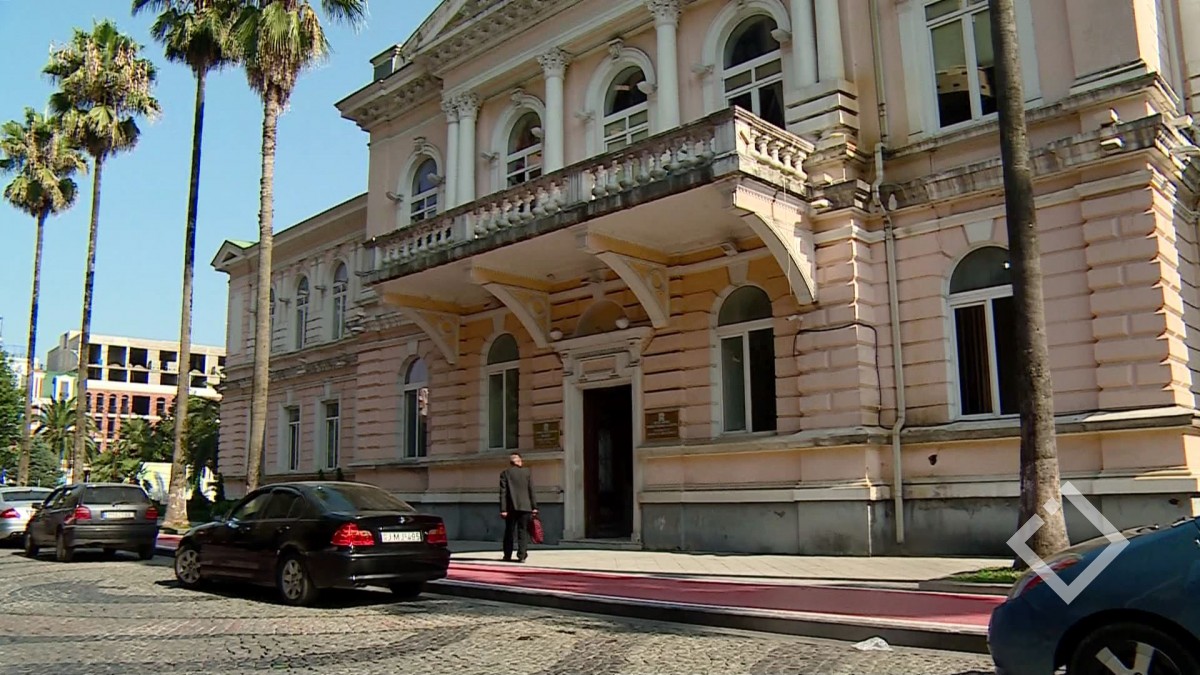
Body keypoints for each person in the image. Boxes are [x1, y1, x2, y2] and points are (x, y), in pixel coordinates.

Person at [499, 453, 537, 563]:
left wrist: (503, 509)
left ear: (511, 463)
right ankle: (522, 555)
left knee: (509, 531)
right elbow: (531, 490)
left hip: (511, 507)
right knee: (523, 531)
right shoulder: (527, 473)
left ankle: (507, 555)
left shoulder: (505, 473)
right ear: (519, 462)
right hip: (526, 506)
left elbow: (503, 493)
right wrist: (534, 507)